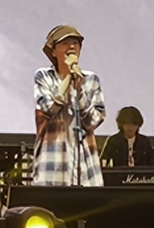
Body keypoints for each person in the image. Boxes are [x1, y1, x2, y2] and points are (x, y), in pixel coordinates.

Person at [32, 25, 106, 186]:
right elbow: (48, 109)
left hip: (85, 169)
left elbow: (94, 121)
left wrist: (80, 93)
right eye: (65, 43)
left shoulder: (90, 80)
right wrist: (68, 79)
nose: (72, 46)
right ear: (53, 51)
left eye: (76, 43)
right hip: (52, 164)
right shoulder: (44, 76)